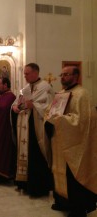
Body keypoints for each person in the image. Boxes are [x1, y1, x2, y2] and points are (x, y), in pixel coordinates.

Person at [45, 66, 97, 217]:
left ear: (76, 76)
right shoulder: (60, 94)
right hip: (59, 141)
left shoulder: (82, 94)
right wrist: (50, 118)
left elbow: (84, 121)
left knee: (73, 176)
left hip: (75, 145)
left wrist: (61, 120)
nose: (62, 77)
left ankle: (77, 209)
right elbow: (50, 112)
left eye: (66, 75)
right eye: (61, 74)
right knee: (58, 171)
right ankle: (62, 201)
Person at [11, 62, 54, 197]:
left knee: (36, 157)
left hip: (37, 128)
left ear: (36, 73)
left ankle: (38, 188)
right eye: (24, 73)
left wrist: (33, 105)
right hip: (25, 127)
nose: (25, 76)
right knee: (26, 155)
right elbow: (17, 102)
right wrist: (15, 107)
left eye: (27, 73)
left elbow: (50, 107)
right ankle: (24, 183)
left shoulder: (45, 87)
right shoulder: (26, 88)